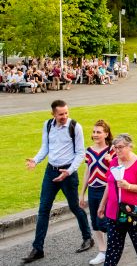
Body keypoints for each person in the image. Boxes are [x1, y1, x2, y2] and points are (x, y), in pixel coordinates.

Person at [23, 100, 94, 264]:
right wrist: (35, 160)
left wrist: (68, 171)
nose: (64, 116)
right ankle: (38, 248)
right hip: (51, 172)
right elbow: (45, 147)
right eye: (61, 114)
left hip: (68, 173)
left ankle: (88, 237)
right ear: (53, 114)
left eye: (66, 113)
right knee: (43, 209)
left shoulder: (75, 126)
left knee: (74, 206)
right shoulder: (47, 125)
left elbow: (80, 153)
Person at [97, 133, 137, 266]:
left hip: (133, 212)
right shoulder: (114, 161)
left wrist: (129, 186)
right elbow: (109, 184)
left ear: (130, 146)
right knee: (113, 249)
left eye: (120, 147)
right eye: (115, 147)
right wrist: (102, 205)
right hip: (114, 212)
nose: (117, 150)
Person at [80, 120, 115, 265]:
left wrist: (111, 160)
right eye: (94, 132)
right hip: (93, 190)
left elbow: (116, 171)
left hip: (107, 190)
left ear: (106, 134)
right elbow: (88, 172)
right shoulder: (88, 151)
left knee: (106, 222)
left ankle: (113, 249)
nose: (95, 134)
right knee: (95, 222)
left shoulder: (112, 151)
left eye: (99, 132)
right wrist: (82, 193)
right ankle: (102, 251)